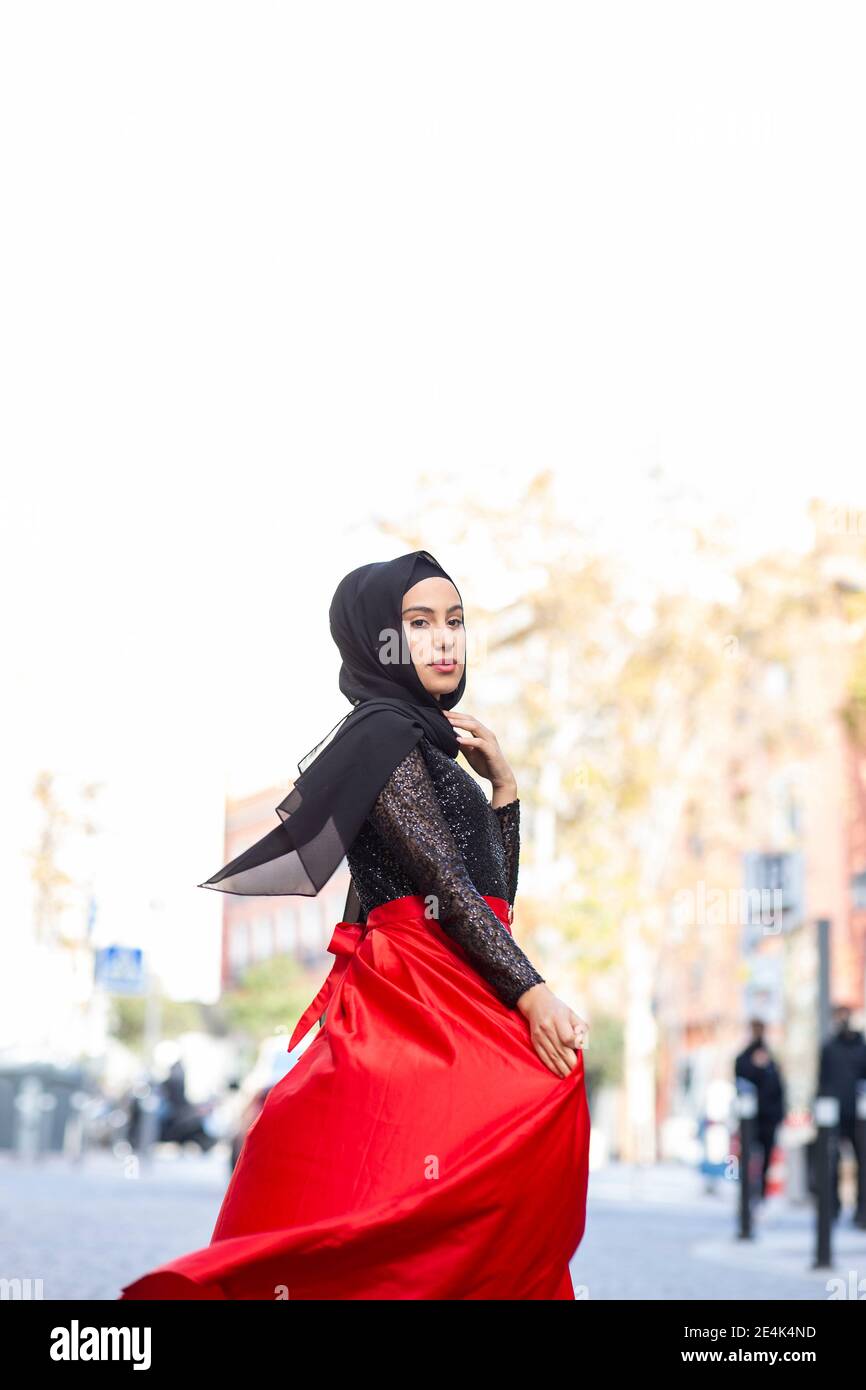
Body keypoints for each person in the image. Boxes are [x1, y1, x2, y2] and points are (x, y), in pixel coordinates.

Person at [118, 549, 591, 1300]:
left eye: (455, 622)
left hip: (460, 985)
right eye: (419, 623)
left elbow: (492, 898)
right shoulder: (382, 738)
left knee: (466, 1182)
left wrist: (504, 789)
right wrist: (533, 991)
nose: (444, 640)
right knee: (431, 1188)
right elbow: (444, 885)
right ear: (377, 638)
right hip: (419, 999)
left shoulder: (430, 744)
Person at [818, 1004, 866, 1221]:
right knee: (831, 1163)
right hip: (834, 1116)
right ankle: (833, 1208)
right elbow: (822, 1081)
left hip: (859, 1117)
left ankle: (861, 1210)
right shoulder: (829, 1048)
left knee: (862, 1164)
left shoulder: (861, 1048)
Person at [734, 1019, 786, 1200]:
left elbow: (778, 1088)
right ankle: (745, 1193)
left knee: (766, 1158)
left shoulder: (771, 1059)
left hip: (768, 1117)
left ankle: (762, 1194)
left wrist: (780, 1115)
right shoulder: (743, 1059)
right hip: (750, 1118)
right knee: (745, 1156)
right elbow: (741, 1085)